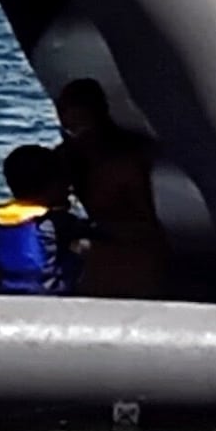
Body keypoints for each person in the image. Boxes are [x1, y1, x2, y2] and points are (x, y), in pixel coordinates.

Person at [53, 80, 173, 298]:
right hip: (115, 241)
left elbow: (144, 225)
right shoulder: (71, 154)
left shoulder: (123, 160)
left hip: (134, 252)